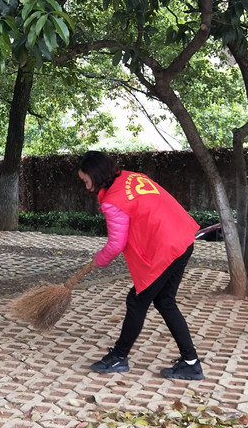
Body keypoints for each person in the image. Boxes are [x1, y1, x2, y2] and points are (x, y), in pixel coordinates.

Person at [77, 151, 204, 380]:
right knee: (165, 301)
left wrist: (99, 260)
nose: (86, 187)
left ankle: (119, 357)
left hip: (167, 248)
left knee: (137, 301)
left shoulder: (114, 200)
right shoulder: (131, 177)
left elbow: (116, 244)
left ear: (96, 175)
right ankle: (190, 362)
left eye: (86, 181)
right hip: (183, 238)